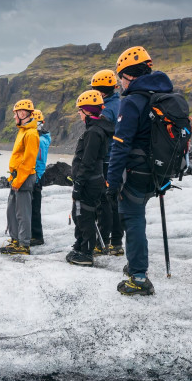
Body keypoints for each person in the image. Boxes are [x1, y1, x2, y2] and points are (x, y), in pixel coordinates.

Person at [107, 45, 174, 296]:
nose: (120, 83)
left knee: (132, 219)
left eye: (120, 77)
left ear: (130, 75)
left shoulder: (133, 101)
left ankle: (138, 275)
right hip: (159, 172)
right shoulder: (162, 97)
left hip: (137, 172)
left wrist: (112, 182)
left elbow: (120, 145)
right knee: (138, 217)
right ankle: (135, 262)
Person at [67, 91, 112, 266]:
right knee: (79, 213)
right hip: (94, 179)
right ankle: (80, 245)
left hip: (89, 181)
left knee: (84, 214)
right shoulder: (96, 129)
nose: (79, 113)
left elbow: (88, 160)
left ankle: (86, 252)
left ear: (87, 111)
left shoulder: (94, 132)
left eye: (80, 110)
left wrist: (79, 183)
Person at [1, 99, 40, 255]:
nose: (14, 116)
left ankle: (24, 244)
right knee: (12, 211)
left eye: (16, 113)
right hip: (17, 177)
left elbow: (29, 161)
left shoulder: (31, 133)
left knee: (22, 212)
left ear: (23, 113)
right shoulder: (23, 131)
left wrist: (18, 180)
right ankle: (16, 240)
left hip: (24, 177)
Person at [92, 69, 124, 255]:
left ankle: (103, 241)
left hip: (107, 160)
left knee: (105, 202)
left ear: (102, 90)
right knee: (115, 200)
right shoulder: (118, 104)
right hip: (116, 159)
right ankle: (116, 242)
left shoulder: (107, 109)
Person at [29, 109, 51, 246]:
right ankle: (33, 234)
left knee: (34, 207)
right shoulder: (38, 138)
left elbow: (40, 162)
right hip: (35, 176)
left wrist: (36, 178)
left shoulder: (40, 140)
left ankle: (37, 236)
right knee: (31, 207)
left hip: (36, 177)